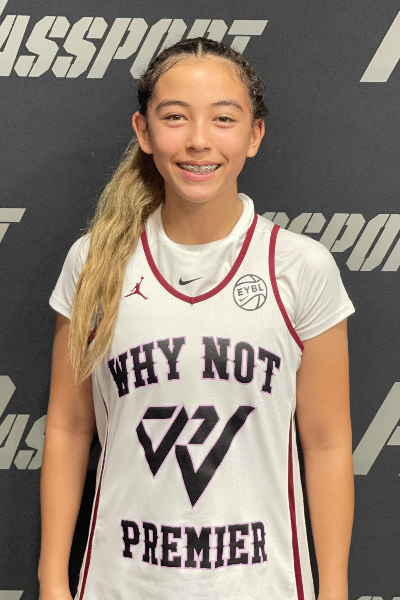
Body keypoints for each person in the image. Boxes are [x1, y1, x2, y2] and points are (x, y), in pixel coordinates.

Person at [38, 37, 355, 600]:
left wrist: (333, 590)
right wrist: (51, 581)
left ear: (254, 134)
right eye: (175, 117)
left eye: (224, 118)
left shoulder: (300, 267)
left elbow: (328, 443)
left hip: (263, 585)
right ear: (143, 132)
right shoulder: (95, 261)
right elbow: (67, 427)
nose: (199, 140)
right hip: (122, 583)